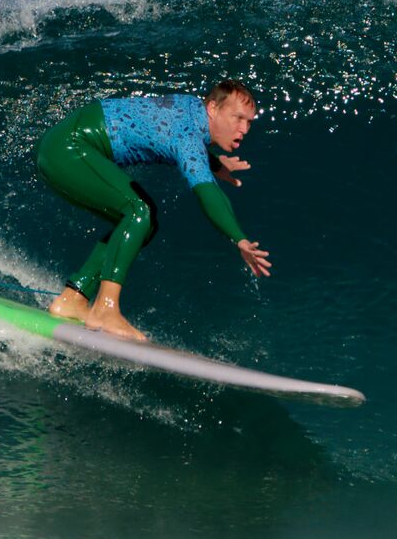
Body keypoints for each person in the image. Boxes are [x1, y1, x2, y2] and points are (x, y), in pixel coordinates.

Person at [34, 79, 272, 342]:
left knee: (144, 223)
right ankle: (105, 308)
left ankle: (74, 298)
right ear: (213, 109)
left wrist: (213, 163)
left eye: (249, 122)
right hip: (69, 148)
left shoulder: (191, 109)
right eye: (238, 118)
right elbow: (208, 193)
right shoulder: (189, 137)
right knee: (139, 212)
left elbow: (165, 126)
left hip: (62, 146)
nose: (244, 128)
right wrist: (239, 238)